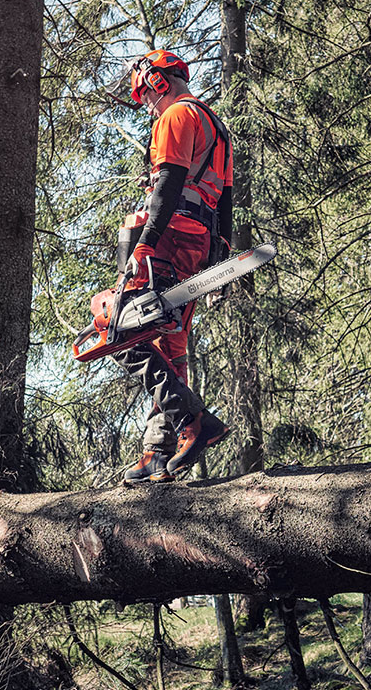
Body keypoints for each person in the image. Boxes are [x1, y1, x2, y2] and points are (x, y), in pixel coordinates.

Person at [115, 49, 234, 483]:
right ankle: (158, 452)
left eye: (145, 93)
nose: (146, 103)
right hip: (198, 243)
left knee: (123, 328)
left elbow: (167, 183)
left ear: (158, 81)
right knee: (169, 344)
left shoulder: (175, 117)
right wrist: (218, 251)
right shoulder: (217, 129)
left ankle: (192, 420)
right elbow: (225, 201)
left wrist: (144, 245)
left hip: (169, 238)